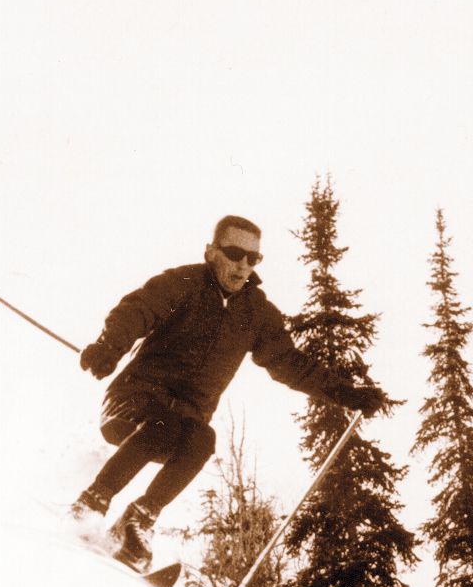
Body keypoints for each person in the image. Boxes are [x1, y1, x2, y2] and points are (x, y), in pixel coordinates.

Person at [71, 215, 384, 568]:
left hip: (186, 418)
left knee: (202, 439)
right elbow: (138, 309)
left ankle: (138, 520)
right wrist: (109, 347)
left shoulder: (256, 312)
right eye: (235, 254)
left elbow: (289, 362)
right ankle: (93, 500)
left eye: (254, 259)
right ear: (211, 252)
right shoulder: (184, 282)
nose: (243, 266)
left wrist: (347, 394)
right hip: (136, 400)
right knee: (166, 425)